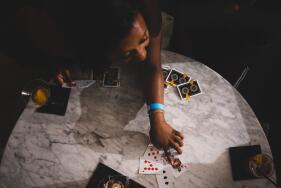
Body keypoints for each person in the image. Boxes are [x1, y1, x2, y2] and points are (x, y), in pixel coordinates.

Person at [0, 0, 184, 154]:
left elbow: (152, 64)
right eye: (126, 54)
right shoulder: (51, 27)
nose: (142, 55)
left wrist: (157, 117)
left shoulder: (148, 10)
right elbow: (26, 27)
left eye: (144, 39)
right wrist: (53, 61)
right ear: (96, 51)